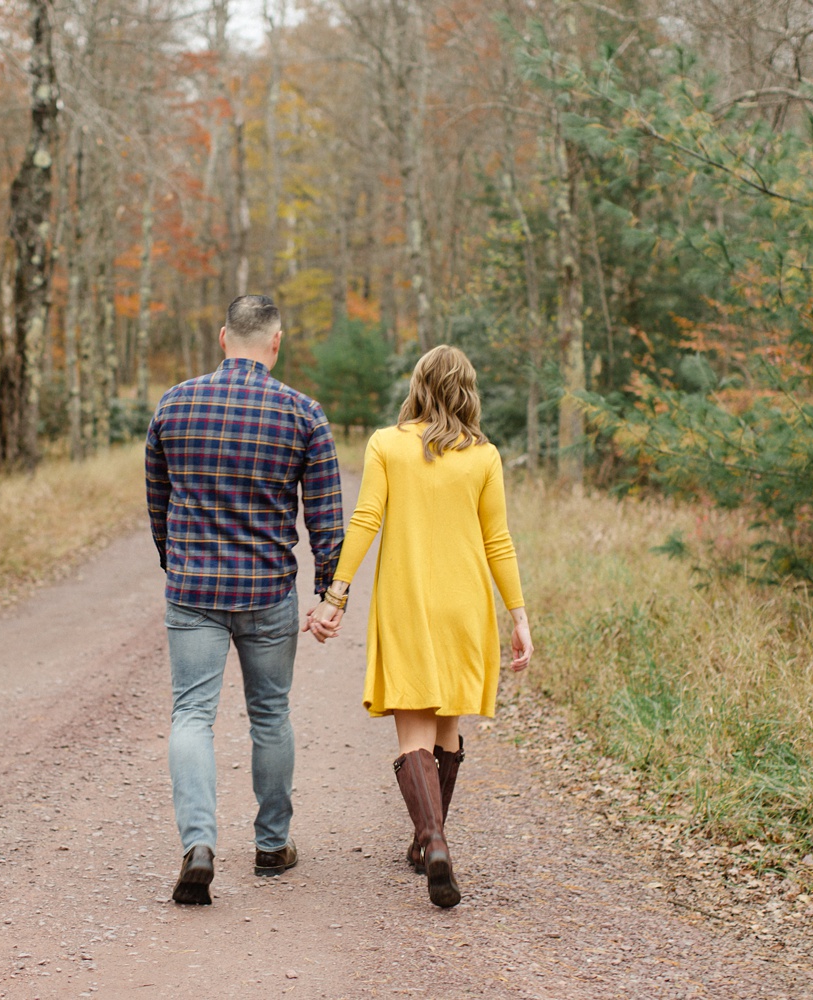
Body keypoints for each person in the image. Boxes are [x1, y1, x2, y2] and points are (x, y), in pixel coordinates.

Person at [305, 344, 532, 909]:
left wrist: (336, 593)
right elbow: (497, 539)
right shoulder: (484, 455)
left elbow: (366, 519)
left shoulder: (387, 444)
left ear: (418, 384)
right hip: (466, 604)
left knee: (413, 735)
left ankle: (433, 840)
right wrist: (519, 615)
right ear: (467, 391)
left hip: (408, 599)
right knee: (446, 725)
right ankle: (424, 844)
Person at [145, 294, 344, 906]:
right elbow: (327, 516)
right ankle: (270, 845)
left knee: (191, 716)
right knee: (270, 715)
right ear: (276, 343)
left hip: (195, 590)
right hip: (266, 591)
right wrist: (327, 589)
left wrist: (175, 560)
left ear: (223, 336)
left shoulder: (174, 404)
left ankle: (199, 844)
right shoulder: (302, 413)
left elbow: (158, 502)